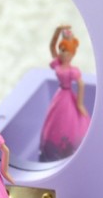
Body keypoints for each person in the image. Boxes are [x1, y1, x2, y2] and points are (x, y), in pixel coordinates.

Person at [39, 25, 90, 161]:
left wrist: (79, 104)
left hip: (68, 96)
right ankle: (53, 150)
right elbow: (52, 47)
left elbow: (81, 84)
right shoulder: (58, 63)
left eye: (65, 51)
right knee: (55, 121)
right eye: (61, 50)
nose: (62, 53)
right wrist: (57, 31)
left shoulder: (72, 70)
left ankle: (70, 152)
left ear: (72, 54)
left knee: (70, 122)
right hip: (60, 95)